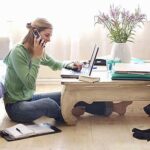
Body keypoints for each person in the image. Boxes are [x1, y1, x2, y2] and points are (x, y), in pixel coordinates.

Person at [3, 18, 132, 124]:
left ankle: (114, 108)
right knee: (48, 104)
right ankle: (67, 115)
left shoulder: (37, 50)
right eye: (47, 35)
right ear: (35, 34)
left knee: (72, 95)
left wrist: (72, 65)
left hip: (28, 99)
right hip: (16, 107)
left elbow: (54, 64)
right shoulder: (18, 52)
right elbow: (30, 84)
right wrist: (37, 57)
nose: (49, 39)